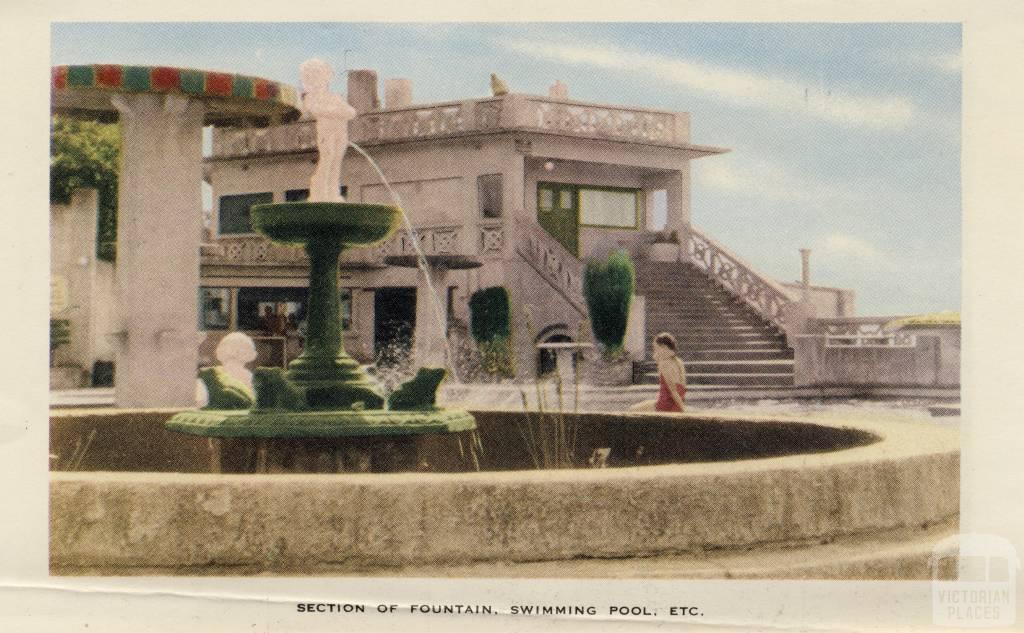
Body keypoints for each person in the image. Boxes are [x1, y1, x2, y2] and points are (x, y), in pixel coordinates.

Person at [630, 332, 687, 413]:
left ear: (663, 347)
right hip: (675, 403)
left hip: (665, 405)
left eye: (656, 348)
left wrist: (683, 410)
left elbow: (673, 390)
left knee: (632, 409)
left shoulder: (664, 364)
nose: (655, 352)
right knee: (646, 403)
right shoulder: (679, 362)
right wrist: (681, 406)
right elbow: (683, 388)